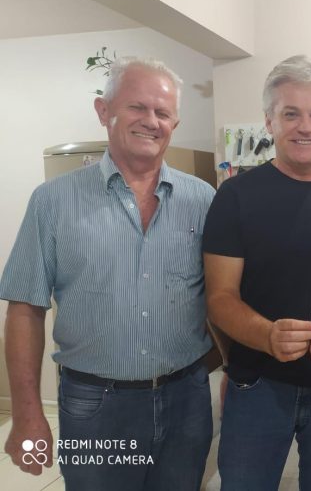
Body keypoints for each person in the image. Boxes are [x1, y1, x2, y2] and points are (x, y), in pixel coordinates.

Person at [0, 57, 215, 491]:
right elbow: (25, 310)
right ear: (104, 110)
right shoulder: (53, 202)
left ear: (174, 123)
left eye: (163, 112)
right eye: (137, 107)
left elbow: (219, 297)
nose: (151, 121)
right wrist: (26, 413)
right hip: (95, 407)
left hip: (186, 400)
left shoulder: (203, 200)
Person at [202, 54, 311, 491]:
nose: (306, 127)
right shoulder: (235, 196)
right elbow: (219, 298)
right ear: (269, 120)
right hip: (259, 386)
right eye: (291, 114)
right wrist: (267, 336)